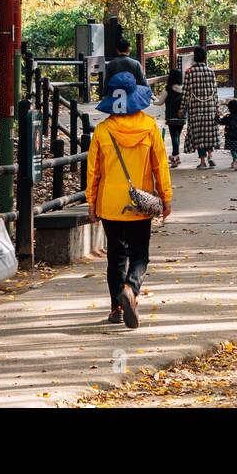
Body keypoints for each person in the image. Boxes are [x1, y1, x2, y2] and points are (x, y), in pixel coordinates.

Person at [87, 71, 173, 328]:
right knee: (140, 255)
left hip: (110, 204)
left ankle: (116, 307)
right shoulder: (148, 127)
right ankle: (131, 289)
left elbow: (93, 171)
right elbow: (161, 166)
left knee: (115, 256)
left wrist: (91, 202)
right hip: (140, 204)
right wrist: (166, 197)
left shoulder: (102, 131)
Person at [182, 46, 220, 168]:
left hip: (195, 108)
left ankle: (202, 162)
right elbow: (215, 92)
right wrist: (217, 107)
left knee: (199, 134)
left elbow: (186, 92)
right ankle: (210, 156)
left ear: (195, 58)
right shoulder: (211, 72)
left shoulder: (190, 72)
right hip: (210, 107)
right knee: (209, 133)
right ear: (205, 57)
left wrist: (182, 108)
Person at [157, 66, 185, 168]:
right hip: (181, 117)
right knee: (177, 136)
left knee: (174, 136)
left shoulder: (168, 90)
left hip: (171, 117)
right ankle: (174, 156)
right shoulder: (184, 90)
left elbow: (159, 102)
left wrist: (152, 100)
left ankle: (175, 157)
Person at [218, 98, 237, 170]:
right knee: (235, 148)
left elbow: (220, 122)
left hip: (230, 136)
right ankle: (234, 163)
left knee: (232, 149)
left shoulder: (228, 117)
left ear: (229, 108)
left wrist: (217, 116)